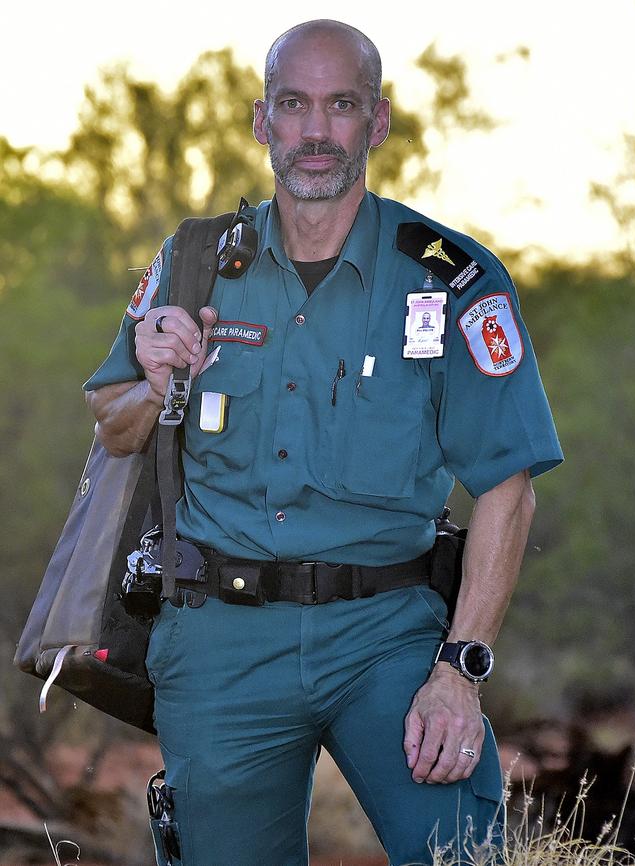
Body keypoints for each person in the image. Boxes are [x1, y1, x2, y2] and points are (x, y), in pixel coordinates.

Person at [84, 19, 563, 866]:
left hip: (389, 640)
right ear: (261, 119)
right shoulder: (196, 262)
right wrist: (155, 380)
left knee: (464, 856)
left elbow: (508, 487)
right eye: (293, 105)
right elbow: (114, 425)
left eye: (340, 106)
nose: (315, 131)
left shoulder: (450, 280)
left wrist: (461, 670)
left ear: (375, 123)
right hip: (220, 641)